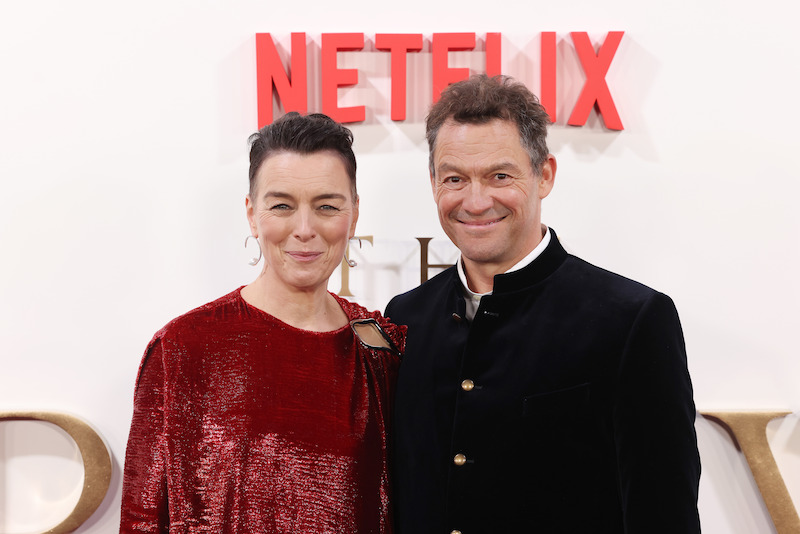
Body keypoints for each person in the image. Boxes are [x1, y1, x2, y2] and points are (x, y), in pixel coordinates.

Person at [385, 75, 701, 533]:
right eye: (455, 178)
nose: (476, 201)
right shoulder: (405, 317)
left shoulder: (631, 319)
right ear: (434, 182)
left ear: (545, 175)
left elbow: (664, 516)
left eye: (499, 176)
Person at [120, 112, 404, 533]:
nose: (304, 229)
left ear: (354, 214)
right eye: (282, 206)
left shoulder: (380, 348)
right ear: (252, 213)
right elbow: (143, 519)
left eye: (327, 206)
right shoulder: (184, 347)